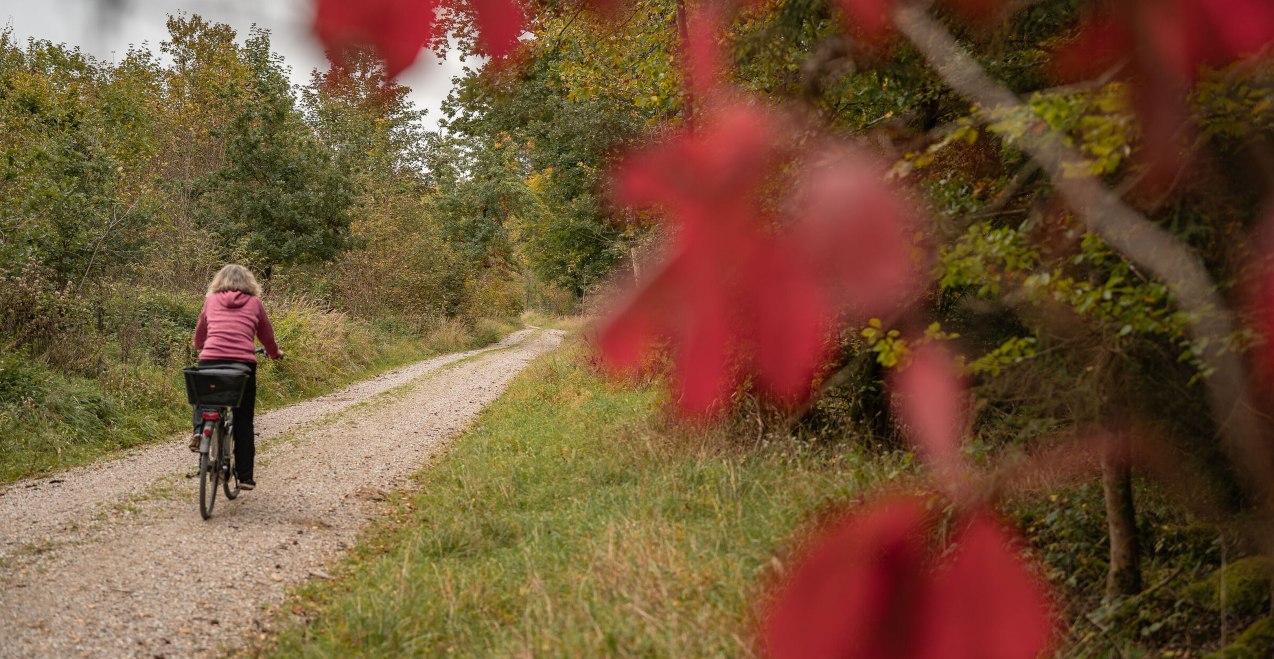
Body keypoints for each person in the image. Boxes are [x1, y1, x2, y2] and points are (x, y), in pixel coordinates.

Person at [190, 264, 283, 490]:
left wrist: (201, 346)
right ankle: (245, 476)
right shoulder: (255, 303)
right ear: (249, 282)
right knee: (243, 418)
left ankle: (200, 430)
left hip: (210, 361)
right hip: (242, 366)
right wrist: (274, 354)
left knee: (205, 397)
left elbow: (200, 334)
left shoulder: (211, 301)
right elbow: (266, 336)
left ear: (219, 281)